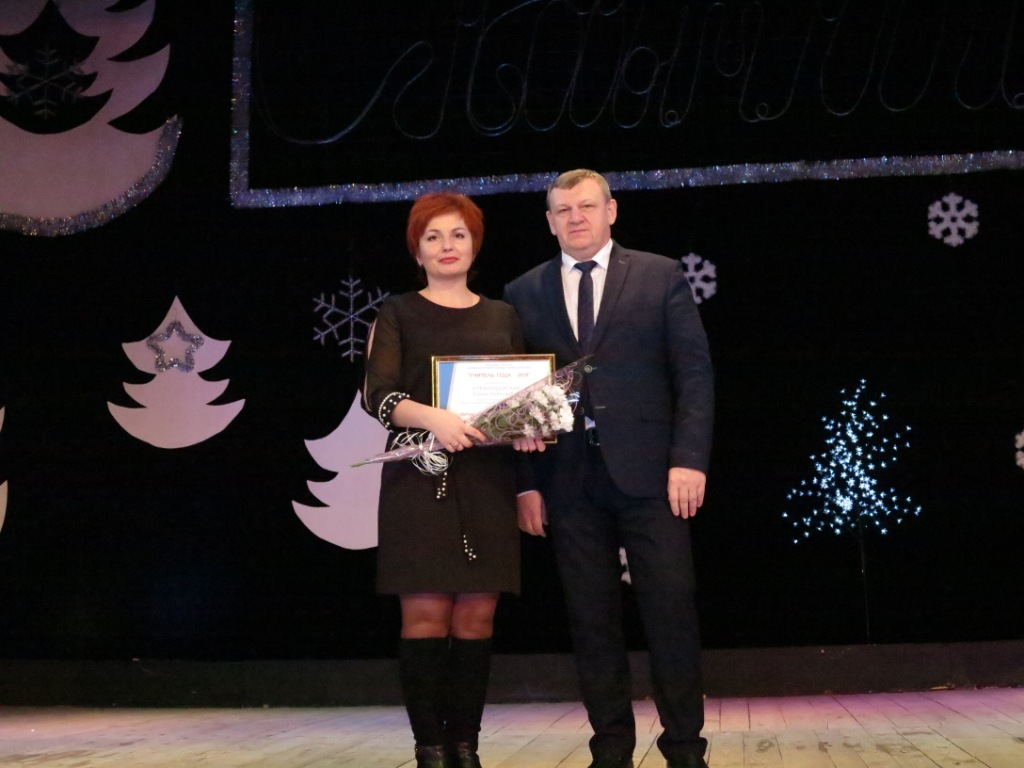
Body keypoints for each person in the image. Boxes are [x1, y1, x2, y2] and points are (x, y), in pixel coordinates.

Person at [503, 169, 714, 768]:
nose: (576, 217)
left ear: (611, 211)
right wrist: (526, 486)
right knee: (591, 621)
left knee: (670, 614)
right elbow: (516, 397)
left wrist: (688, 460)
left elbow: (694, 374)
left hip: (653, 477)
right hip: (567, 481)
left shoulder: (659, 275)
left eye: (587, 206)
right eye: (563, 209)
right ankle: (611, 750)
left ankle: (685, 749)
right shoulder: (522, 291)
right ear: (549, 221)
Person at [362, 193, 525, 768]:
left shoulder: (503, 316)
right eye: (433, 237)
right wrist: (434, 418)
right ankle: (430, 749)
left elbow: (521, 400)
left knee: (477, 617)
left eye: (458, 234)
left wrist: (529, 429)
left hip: (487, 480)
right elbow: (377, 396)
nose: (447, 246)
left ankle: (466, 747)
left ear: (475, 245)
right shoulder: (397, 312)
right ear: (418, 251)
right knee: (426, 616)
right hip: (419, 480)